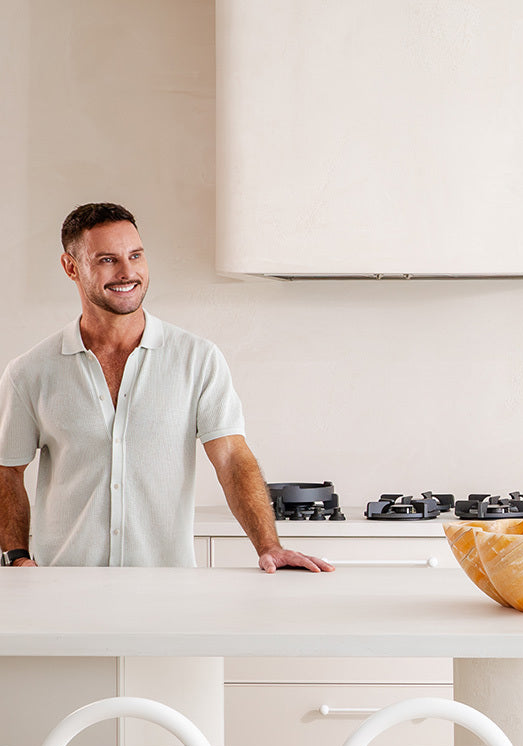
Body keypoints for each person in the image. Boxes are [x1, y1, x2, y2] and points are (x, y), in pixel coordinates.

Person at [0, 202, 333, 572]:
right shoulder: (30, 372)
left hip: (167, 588)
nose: (128, 272)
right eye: (108, 260)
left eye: (136, 255)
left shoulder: (197, 359)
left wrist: (268, 546)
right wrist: (16, 557)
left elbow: (231, 458)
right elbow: (7, 470)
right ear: (71, 267)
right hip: (63, 584)